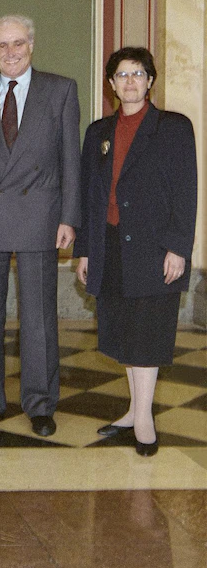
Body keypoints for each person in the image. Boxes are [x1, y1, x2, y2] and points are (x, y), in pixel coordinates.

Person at [0, 14, 80, 437]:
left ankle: (41, 403)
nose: (10, 52)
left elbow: (71, 160)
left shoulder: (61, 90)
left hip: (40, 215)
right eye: (2, 46)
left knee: (39, 317)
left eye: (18, 44)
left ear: (32, 45)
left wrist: (69, 217)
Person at [74, 47, 197, 457]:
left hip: (153, 247)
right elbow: (90, 196)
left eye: (138, 73)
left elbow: (186, 191)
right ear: (110, 84)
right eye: (122, 75)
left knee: (148, 333)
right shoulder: (98, 132)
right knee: (125, 331)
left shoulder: (174, 127)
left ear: (150, 81)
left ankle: (144, 418)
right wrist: (86, 251)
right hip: (110, 246)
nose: (130, 81)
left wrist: (178, 247)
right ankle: (133, 409)